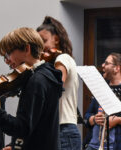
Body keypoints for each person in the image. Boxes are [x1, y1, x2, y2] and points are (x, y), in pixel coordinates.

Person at [0, 27, 63, 150]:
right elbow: (37, 126)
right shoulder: (47, 74)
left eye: (8, 54)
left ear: (27, 48)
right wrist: (15, 146)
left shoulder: (36, 81)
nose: (7, 61)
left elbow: (21, 128)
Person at [37, 16, 81, 150]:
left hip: (64, 130)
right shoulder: (49, 64)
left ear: (56, 39)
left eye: (44, 41)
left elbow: (56, 86)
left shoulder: (63, 58)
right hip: (58, 129)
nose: (41, 47)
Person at [84, 53, 121, 150]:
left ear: (117, 68)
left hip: (116, 146)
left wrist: (118, 120)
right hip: (92, 146)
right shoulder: (101, 89)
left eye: (107, 63)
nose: (103, 65)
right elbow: (87, 116)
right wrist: (94, 119)